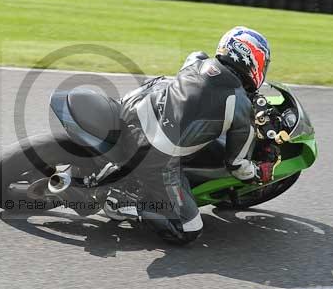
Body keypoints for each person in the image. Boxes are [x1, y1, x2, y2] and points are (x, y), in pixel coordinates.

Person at [112, 26, 273, 244]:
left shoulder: (196, 60)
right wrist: (258, 173)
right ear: (251, 60)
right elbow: (237, 165)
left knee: (164, 86)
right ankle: (128, 205)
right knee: (189, 229)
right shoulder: (240, 106)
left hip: (132, 111)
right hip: (153, 158)